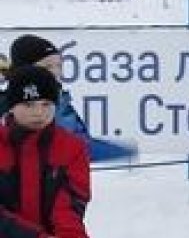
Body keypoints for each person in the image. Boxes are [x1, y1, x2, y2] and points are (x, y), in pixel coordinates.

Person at [0, 65, 93, 238]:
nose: (38, 113)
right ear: (11, 106)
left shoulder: (72, 148)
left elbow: (71, 206)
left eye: (46, 104)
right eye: (28, 105)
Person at [1, 34, 135, 162]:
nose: (55, 72)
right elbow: (69, 147)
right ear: (25, 70)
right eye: (47, 66)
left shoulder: (59, 100)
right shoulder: (17, 106)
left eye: (59, 65)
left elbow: (80, 141)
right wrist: (122, 152)